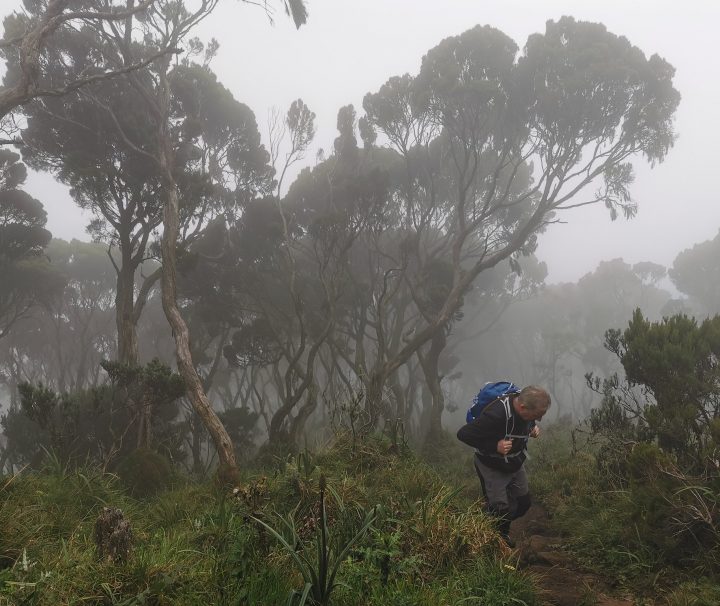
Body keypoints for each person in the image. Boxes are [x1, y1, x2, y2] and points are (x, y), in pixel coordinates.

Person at [456, 385, 551, 547]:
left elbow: (523, 421)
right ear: (522, 407)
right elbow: (463, 434)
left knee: (524, 503)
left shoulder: (524, 404)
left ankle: (491, 521)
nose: (538, 419)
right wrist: (495, 446)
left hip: (515, 461)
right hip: (491, 464)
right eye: (537, 416)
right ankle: (497, 538)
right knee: (500, 509)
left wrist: (531, 428)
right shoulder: (496, 415)